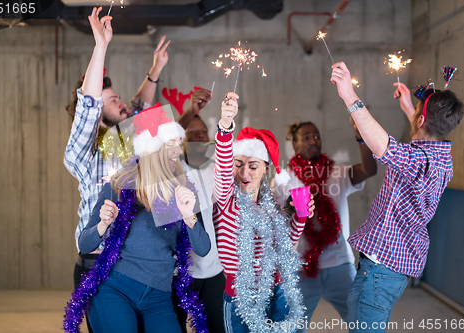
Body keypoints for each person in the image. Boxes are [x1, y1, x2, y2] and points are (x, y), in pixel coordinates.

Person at [330, 62, 464, 332]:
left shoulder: (417, 161)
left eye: (416, 111)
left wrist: (349, 95)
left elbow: (383, 145)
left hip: (379, 272)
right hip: (393, 269)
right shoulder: (442, 157)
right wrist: (409, 108)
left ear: (421, 120)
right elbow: (426, 134)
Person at [63, 7, 169, 331]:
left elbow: (138, 107)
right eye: (113, 100)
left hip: (142, 263)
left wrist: (154, 72)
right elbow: (90, 103)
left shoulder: (127, 142)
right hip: (99, 264)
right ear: (97, 113)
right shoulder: (83, 153)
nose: (123, 103)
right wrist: (100, 47)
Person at [71, 98, 211, 332]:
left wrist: (189, 217)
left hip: (159, 298)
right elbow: (85, 244)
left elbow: (203, 248)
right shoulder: (121, 185)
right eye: (172, 144)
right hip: (115, 290)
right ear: (153, 148)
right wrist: (103, 225)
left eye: (179, 142)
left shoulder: (184, 188)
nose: (179, 150)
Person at [213, 92, 315, 333]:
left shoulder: (272, 204)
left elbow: (286, 245)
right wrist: (226, 127)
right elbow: (222, 165)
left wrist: (300, 216)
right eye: (238, 165)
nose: (245, 173)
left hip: (277, 291)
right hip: (241, 297)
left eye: (253, 166)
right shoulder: (226, 199)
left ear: (265, 168)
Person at [273, 118, 377, 329]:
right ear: (295, 144)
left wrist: (361, 138)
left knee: (361, 322)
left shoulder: (337, 172)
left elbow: (369, 170)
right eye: (306, 137)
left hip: (340, 264)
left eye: (317, 136)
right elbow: (276, 216)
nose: (313, 140)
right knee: (293, 326)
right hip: (301, 267)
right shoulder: (284, 178)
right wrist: (290, 209)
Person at [169, 93, 227, 333]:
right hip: (179, 271)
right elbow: (167, 136)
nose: (200, 135)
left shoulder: (217, 169)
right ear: (182, 139)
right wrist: (191, 110)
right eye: (192, 132)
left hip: (213, 269)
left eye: (203, 131)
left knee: (218, 327)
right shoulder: (172, 169)